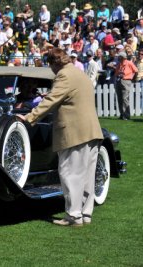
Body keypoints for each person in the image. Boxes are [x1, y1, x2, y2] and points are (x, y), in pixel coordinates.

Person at [16, 48, 103, 226]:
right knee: (86, 175)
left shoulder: (63, 75)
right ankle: (85, 214)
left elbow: (52, 100)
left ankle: (73, 216)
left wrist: (29, 117)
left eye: (50, 65)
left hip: (75, 132)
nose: (51, 70)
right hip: (91, 130)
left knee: (69, 173)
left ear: (55, 62)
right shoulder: (80, 74)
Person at [114, 51, 137, 120]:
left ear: (123, 57)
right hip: (119, 80)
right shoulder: (119, 64)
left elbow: (136, 71)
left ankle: (126, 115)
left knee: (125, 99)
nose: (117, 57)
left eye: (119, 56)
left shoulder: (129, 63)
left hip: (126, 81)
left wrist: (133, 79)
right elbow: (116, 73)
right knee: (119, 98)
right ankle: (122, 115)